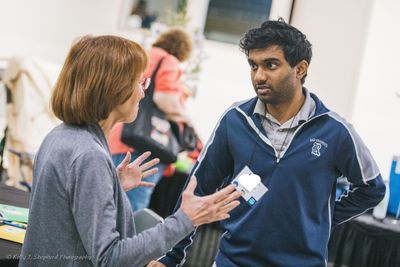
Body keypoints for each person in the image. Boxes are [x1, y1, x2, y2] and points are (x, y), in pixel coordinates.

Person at [149, 19, 386, 267]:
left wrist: (320, 218)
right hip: (233, 261)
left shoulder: (335, 131)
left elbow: (372, 189)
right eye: (253, 66)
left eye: (270, 65)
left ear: (300, 69)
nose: (259, 76)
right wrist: (171, 255)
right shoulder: (236, 120)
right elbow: (197, 189)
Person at [19, 35, 241, 266]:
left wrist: (111, 185)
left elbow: (62, 207)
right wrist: (184, 219)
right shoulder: (89, 156)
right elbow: (111, 258)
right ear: (114, 88)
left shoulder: (59, 136)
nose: (143, 93)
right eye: (139, 82)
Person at [108, 27, 194, 212]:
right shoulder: (169, 61)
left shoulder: (143, 56)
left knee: (110, 202)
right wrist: (187, 120)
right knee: (132, 210)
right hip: (146, 146)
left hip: (120, 137)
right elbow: (165, 100)